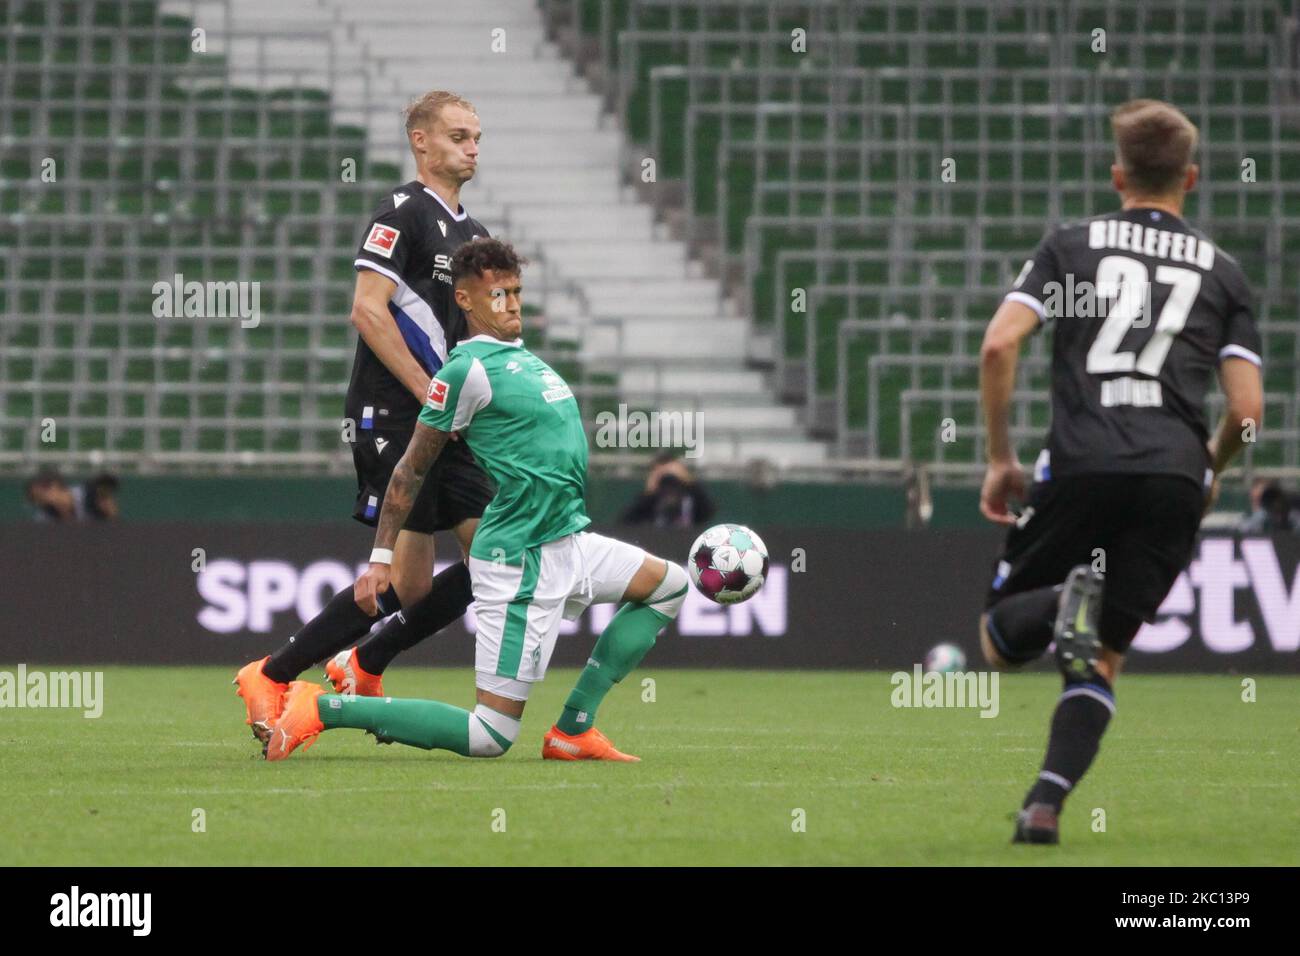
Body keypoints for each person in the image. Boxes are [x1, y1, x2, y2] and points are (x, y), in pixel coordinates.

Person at [263, 238, 688, 763]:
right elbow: (411, 468)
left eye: (516, 292)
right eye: (497, 294)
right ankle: (323, 708)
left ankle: (572, 731)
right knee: (491, 736)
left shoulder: (524, 359)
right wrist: (379, 558)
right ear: (465, 302)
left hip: (569, 543)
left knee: (670, 584)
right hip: (518, 559)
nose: (511, 304)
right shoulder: (464, 371)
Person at [976, 100, 1264, 844]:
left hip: (1082, 459)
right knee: (1103, 657)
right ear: (1191, 179)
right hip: (1172, 471)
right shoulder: (1225, 274)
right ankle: (1044, 804)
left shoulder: (1069, 246)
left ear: (1118, 176)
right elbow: (1248, 412)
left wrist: (1001, 458)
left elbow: (999, 347)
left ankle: (1061, 602)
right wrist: (1208, 469)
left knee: (998, 645)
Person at [234, 90, 495, 746]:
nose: (471, 147)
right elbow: (368, 310)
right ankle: (281, 673)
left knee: (490, 559)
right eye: (459, 135)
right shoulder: (402, 213)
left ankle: (345, 663)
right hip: (394, 415)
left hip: (446, 422)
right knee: (422, 576)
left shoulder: (474, 234)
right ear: (422, 142)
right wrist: (431, 392)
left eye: (477, 137)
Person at [621, 452, 715, 526]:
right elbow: (626, 522)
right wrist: (649, 493)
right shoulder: (651, 499)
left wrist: (688, 481)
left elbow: (708, 511)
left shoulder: (690, 496)